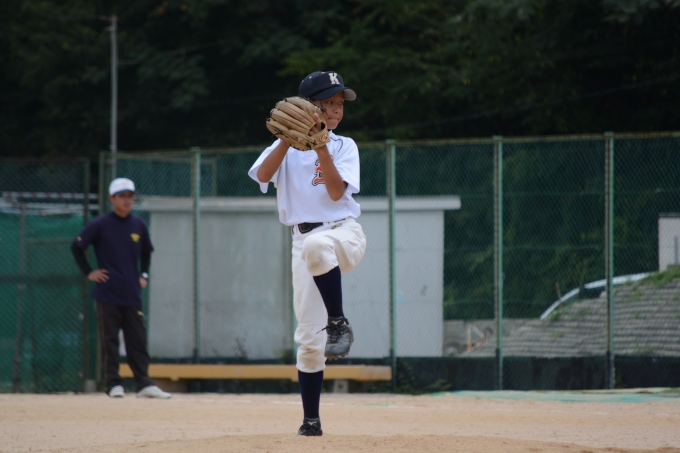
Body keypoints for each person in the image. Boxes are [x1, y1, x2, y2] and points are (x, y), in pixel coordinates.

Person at [248, 71, 367, 436]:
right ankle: (311, 421)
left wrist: (320, 146)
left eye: (340, 104)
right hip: (303, 241)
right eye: (329, 103)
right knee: (309, 340)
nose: (336, 110)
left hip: (343, 233)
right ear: (308, 106)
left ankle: (338, 322)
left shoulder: (343, 146)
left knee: (319, 246)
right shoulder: (282, 150)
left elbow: (335, 193)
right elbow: (262, 175)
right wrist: (287, 139)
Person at [71, 177, 170, 399]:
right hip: (107, 293)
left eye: (130, 196)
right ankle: (114, 384)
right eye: (122, 196)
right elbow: (77, 246)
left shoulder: (138, 225)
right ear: (111, 198)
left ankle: (144, 384)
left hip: (132, 293)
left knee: (138, 340)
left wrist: (144, 275)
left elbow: (146, 252)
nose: (127, 200)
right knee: (110, 340)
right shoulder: (100, 224)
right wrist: (89, 272)